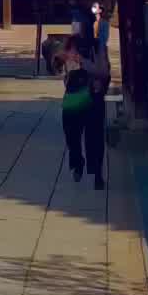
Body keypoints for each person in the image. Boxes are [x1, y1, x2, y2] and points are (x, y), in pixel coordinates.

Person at [60, 19, 110, 188]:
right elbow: (65, 69)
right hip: (73, 95)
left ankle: (97, 174)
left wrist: (83, 62)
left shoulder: (97, 45)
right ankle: (77, 162)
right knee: (72, 136)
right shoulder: (70, 43)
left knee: (94, 137)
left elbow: (103, 71)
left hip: (93, 97)